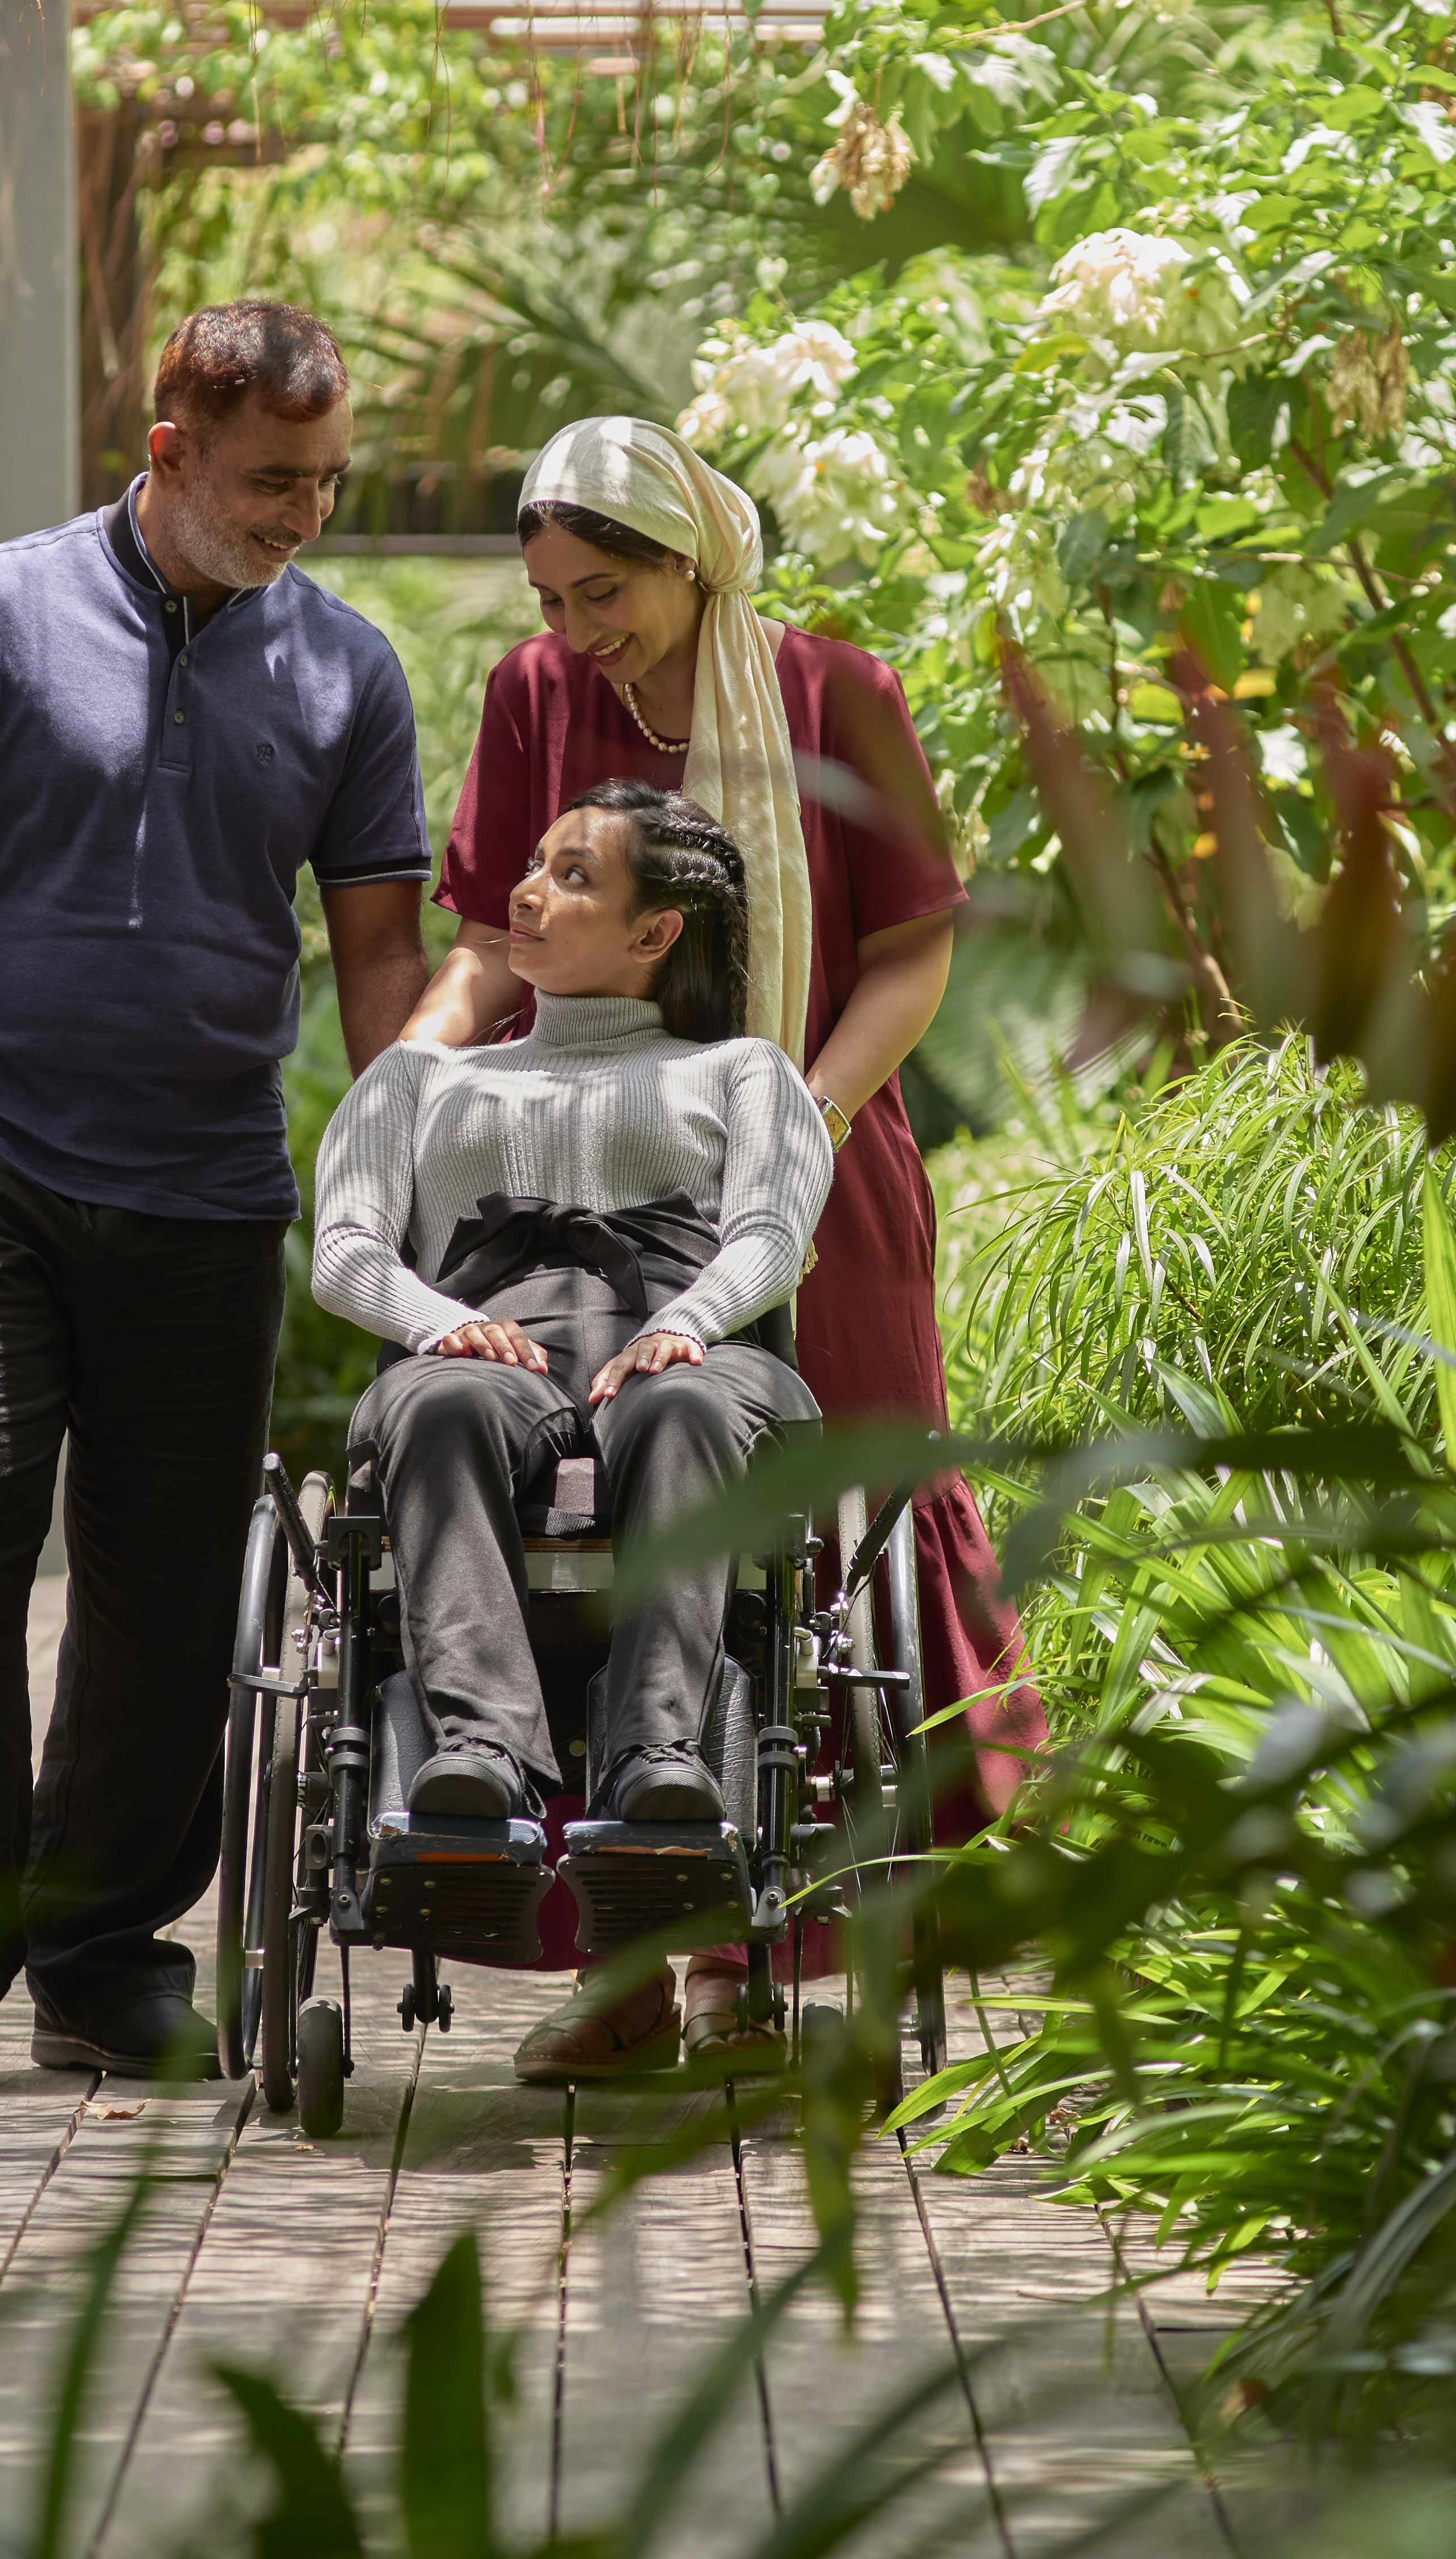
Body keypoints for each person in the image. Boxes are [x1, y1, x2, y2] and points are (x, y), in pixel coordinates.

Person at [0, 301, 434, 2079]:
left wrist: (403, 1175)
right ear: (166, 449)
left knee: (165, 1581)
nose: (302, 513)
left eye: (324, 481)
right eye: (268, 481)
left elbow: (380, 957)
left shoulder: (347, 672)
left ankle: (98, 1956)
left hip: (211, 1178)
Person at [403, 415, 1046, 2074]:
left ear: (695, 561)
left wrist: (797, 1125)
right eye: (549, 595)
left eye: (602, 591)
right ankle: (622, 1959)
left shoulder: (842, 698)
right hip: (583, 1174)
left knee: (837, 1543)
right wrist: (422, 1059)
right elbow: (492, 939)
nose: (573, 629)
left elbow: (908, 957)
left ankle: (756, 1957)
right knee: (595, 1517)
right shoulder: (538, 701)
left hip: (820, 1168)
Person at [316, 785, 827, 2084]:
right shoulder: (423, 1078)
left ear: (655, 933)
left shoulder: (740, 1072)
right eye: (530, 868)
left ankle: (664, 1761)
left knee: (682, 1402)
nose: (524, 895)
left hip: (692, 1346)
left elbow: (771, 1233)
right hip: (486, 1344)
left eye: (570, 877)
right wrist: (437, 1325)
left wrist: (695, 1323)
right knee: (431, 1405)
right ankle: (477, 1755)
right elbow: (342, 1251)